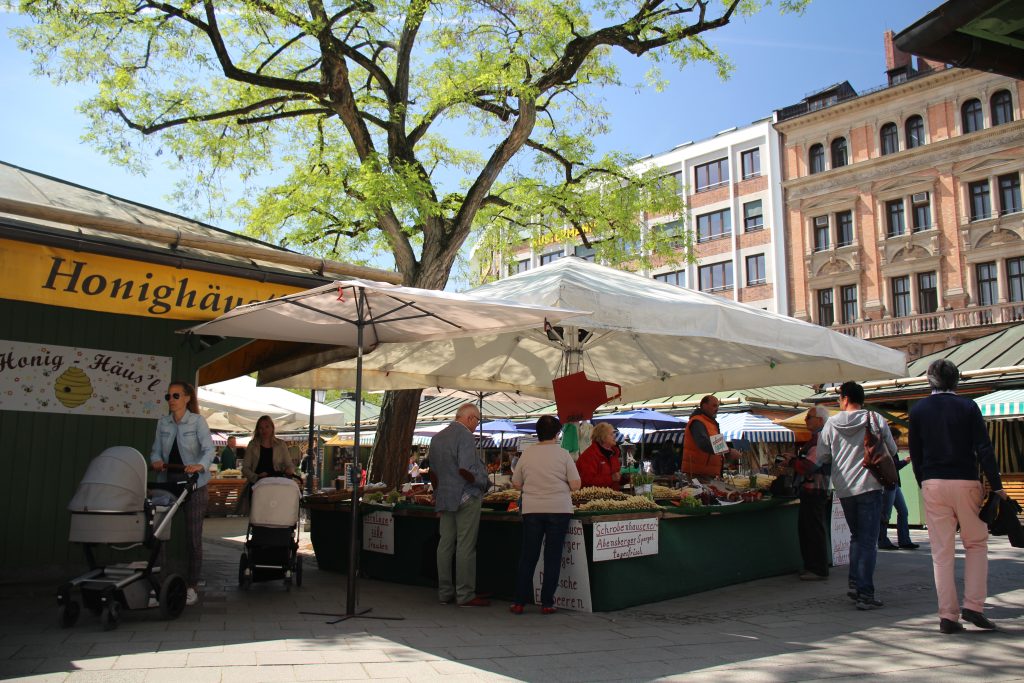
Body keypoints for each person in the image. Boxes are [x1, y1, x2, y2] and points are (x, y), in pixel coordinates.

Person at [909, 359, 1007, 634]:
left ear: (929, 380)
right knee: (975, 544)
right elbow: (984, 448)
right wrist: (997, 484)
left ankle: (947, 615)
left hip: (933, 482)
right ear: (957, 380)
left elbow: (916, 452)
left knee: (941, 552)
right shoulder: (968, 407)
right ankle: (974, 606)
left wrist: (923, 481)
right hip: (965, 480)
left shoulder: (918, 410)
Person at [817, 381, 895, 611]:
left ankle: (855, 583)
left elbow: (823, 455)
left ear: (845, 399)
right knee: (868, 541)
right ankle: (865, 593)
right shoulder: (875, 419)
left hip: (844, 488)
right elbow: (891, 449)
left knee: (856, 537)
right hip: (870, 484)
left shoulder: (831, 423)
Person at [150, 380, 215, 607]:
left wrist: (199, 466)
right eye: (168, 396)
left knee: (193, 537)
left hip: (194, 485)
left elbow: (209, 450)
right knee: (158, 533)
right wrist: (156, 460)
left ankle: (192, 586)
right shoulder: (163, 423)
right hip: (168, 484)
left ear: (187, 398)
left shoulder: (197, 422)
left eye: (176, 396)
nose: (171, 400)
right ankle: (159, 585)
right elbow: (155, 451)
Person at [509, 415, 581, 615]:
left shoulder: (527, 454)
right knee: (552, 556)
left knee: (528, 556)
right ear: (557, 434)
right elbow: (576, 484)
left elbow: (516, 483)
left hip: (532, 509)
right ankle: (547, 602)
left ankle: (519, 602)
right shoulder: (563, 454)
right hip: (559, 509)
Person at [429, 403, 489, 607]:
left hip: (445, 496)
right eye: (477, 420)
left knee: (445, 544)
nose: (477, 424)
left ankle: (445, 592)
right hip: (466, 495)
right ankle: (465, 594)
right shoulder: (465, 436)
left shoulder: (437, 438)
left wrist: (438, 493)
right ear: (470, 418)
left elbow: (433, 473)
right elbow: (467, 469)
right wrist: (483, 482)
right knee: (465, 546)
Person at [787, 406, 832, 581]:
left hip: (815, 489)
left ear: (820, 420)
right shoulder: (818, 438)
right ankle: (812, 566)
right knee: (809, 529)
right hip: (813, 489)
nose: (806, 420)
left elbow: (810, 466)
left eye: (809, 417)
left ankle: (817, 569)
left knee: (813, 530)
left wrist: (792, 461)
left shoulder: (821, 439)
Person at [878, 428, 918, 550]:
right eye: (896, 439)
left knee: (903, 511)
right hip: (888, 484)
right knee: (885, 514)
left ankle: (904, 540)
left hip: (894, 484)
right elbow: (892, 467)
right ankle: (882, 540)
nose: (897, 442)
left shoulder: (892, 451)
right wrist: (905, 462)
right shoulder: (884, 450)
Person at [682, 395, 742, 477]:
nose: (717, 409)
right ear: (704, 406)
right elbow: (704, 443)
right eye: (714, 406)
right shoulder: (698, 421)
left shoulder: (712, 423)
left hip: (709, 473)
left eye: (718, 406)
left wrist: (727, 454)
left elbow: (718, 445)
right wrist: (729, 451)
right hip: (699, 473)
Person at [241, 415, 294, 484]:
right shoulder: (252, 445)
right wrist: (256, 477)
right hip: (256, 484)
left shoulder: (281, 444)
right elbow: (245, 468)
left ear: (272, 428)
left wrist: (289, 469)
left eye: (267, 427)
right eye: (261, 428)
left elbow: (289, 464)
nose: (264, 430)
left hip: (277, 483)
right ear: (258, 430)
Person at [576, 422, 622, 490]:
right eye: (611, 434)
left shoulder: (614, 454)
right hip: (595, 495)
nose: (614, 436)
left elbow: (616, 478)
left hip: (613, 494)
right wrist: (611, 478)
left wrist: (624, 478)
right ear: (602, 437)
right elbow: (587, 481)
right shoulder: (589, 456)